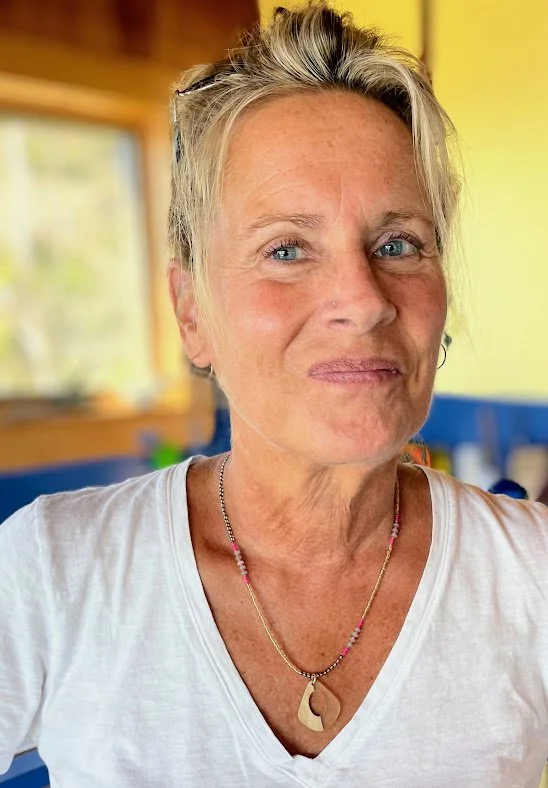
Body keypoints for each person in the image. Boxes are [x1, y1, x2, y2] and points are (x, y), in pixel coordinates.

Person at [1, 3, 547, 786]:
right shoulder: (54, 570)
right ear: (193, 313)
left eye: (399, 244)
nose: (363, 299)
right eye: (286, 249)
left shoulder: (531, 575)